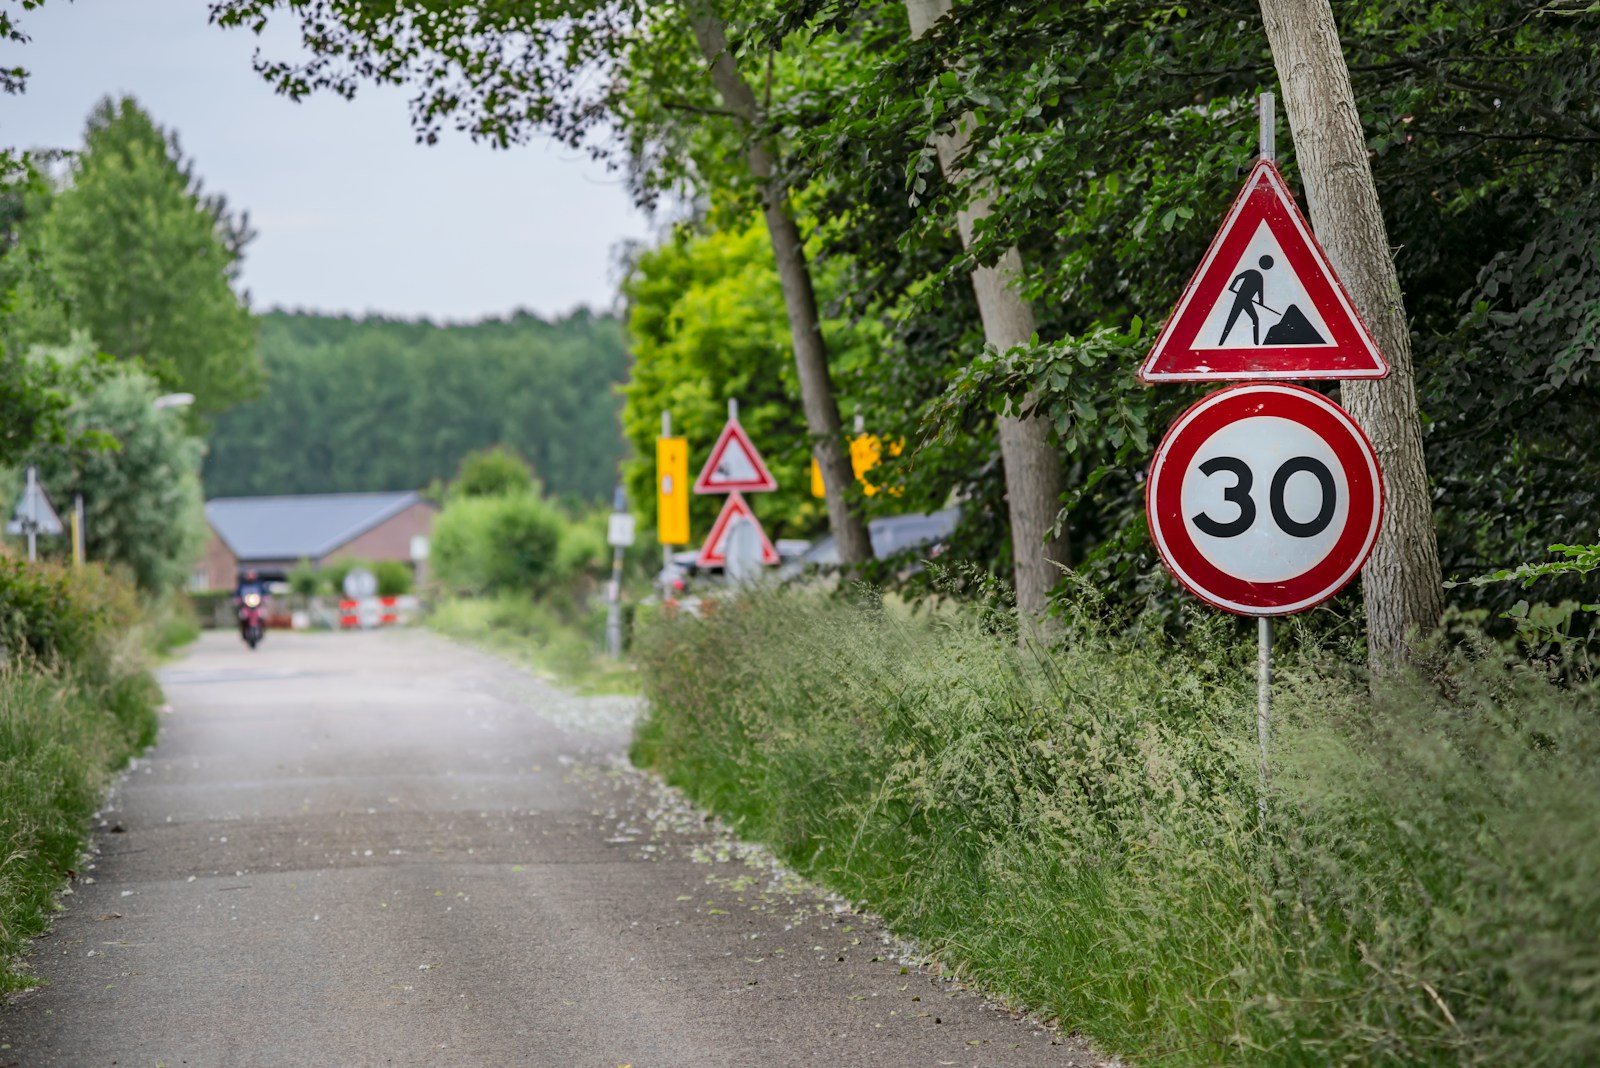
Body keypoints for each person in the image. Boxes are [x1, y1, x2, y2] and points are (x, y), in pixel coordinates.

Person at [1220, 254, 1274, 346]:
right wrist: (1231, 288)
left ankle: (1256, 344)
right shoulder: (1256, 275)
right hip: (1240, 299)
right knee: (1232, 320)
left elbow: (1260, 292)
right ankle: (1221, 343)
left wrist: (1232, 287)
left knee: (1253, 319)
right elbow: (1259, 293)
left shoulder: (1255, 275)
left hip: (1246, 300)